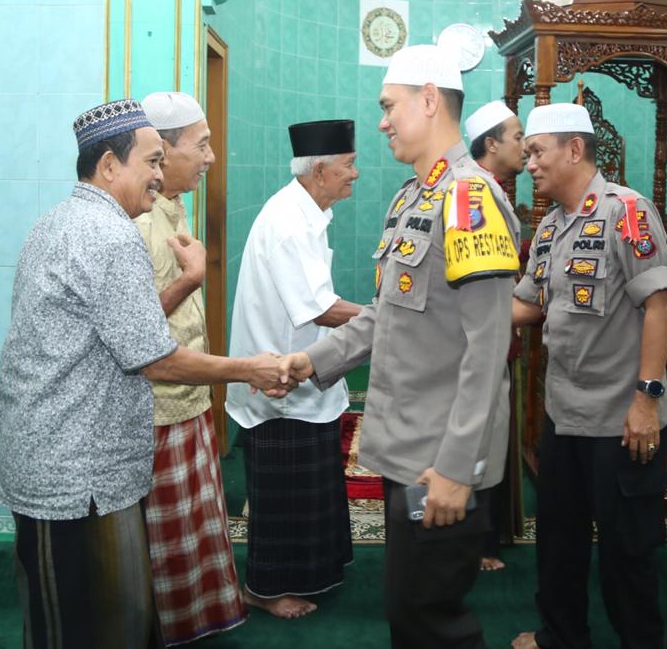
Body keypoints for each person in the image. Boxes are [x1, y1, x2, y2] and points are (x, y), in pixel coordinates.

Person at [0, 100, 292, 648]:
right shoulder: (108, 235)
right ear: (109, 166)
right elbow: (155, 357)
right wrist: (250, 368)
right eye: (151, 162)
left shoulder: (61, 220)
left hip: (80, 465)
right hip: (71, 474)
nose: (160, 175)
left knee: (114, 615)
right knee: (81, 625)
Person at [284, 44, 520, 648]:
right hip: (406, 449)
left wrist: (456, 468)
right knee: (408, 612)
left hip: (440, 458)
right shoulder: (412, 198)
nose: (383, 121)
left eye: (389, 106)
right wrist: (313, 360)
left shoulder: (469, 201)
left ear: (430, 99)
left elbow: (488, 349)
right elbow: (386, 317)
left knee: (432, 620)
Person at [509, 102, 667, 649]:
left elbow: (657, 303)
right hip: (564, 415)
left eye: (537, 151)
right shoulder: (553, 224)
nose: (528, 163)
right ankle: (561, 635)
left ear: (573, 149)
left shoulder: (627, 211)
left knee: (627, 552)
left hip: (621, 417)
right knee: (559, 541)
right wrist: (451, 317)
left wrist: (646, 399)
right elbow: (527, 305)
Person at [226, 119, 363, 619]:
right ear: (321, 170)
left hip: (305, 378)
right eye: (349, 166)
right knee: (282, 494)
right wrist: (385, 315)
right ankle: (263, 588)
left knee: (313, 486)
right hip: (279, 387)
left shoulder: (307, 212)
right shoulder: (288, 222)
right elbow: (320, 308)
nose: (356, 174)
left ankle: (314, 568)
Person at [135, 91, 246, 645]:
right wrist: (190, 280)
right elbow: (131, 329)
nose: (210, 158)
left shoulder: (173, 207)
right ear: (163, 150)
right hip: (158, 406)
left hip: (189, 399)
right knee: (169, 530)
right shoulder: (136, 219)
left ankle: (207, 610)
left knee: (199, 520)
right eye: (200, 146)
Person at [465, 99, 528, 572]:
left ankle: (486, 538)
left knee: (491, 441)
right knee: (478, 444)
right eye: (518, 137)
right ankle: (474, 543)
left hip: (497, 341)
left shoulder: (496, 188)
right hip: (480, 345)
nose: (525, 147)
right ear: (491, 144)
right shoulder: (477, 193)